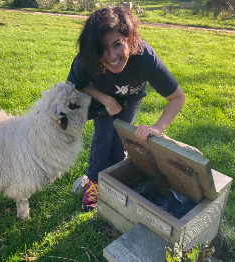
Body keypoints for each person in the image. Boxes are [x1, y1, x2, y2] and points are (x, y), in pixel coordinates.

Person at [67, 6, 186, 212]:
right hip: (100, 96)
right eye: (102, 49)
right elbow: (77, 85)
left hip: (131, 97)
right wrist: (106, 100)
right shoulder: (87, 59)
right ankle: (94, 181)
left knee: (121, 135)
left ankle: (115, 178)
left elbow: (177, 98)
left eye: (117, 45)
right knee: (104, 134)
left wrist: (157, 128)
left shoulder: (146, 58)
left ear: (130, 39)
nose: (111, 56)